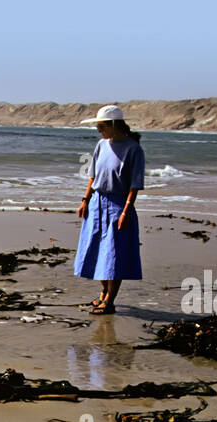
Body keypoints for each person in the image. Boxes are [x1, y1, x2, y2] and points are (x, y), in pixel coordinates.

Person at [74, 105, 145, 314]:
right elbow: (93, 176)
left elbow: (135, 184)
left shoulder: (133, 149)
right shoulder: (101, 145)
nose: (98, 131)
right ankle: (103, 294)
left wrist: (125, 211)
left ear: (114, 125)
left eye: (101, 126)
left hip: (118, 205)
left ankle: (110, 300)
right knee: (97, 250)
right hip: (97, 203)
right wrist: (85, 200)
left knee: (114, 254)